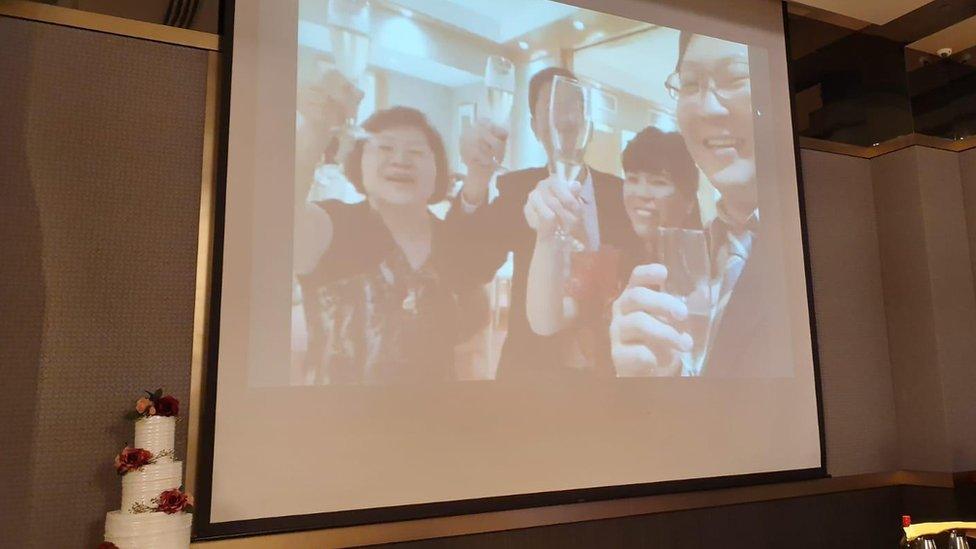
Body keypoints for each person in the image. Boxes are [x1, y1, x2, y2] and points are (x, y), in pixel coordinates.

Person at [449, 67, 641, 379]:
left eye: (573, 107)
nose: (565, 119)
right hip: (532, 374)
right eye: (552, 108)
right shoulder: (517, 190)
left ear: (587, 122)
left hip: (609, 372)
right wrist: (476, 177)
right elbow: (467, 269)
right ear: (536, 127)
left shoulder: (621, 194)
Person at [611, 32, 768, 377]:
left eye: (736, 77)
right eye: (690, 83)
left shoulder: (820, 237)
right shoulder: (699, 258)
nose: (708, 106)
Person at [295, 106, 482, 384]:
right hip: (339, 421)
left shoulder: (453, 242)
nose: (401, 160)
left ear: (438, 169)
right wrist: (313, 133)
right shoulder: (332, 224)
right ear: (359, 161)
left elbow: (468, 349)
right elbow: (274, 216)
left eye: (417, 152)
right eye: (385, 148)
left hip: (434, 419)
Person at [524, 126, 704, 373]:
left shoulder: (711, 268)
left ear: (689, 201)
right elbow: (546, 321)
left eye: (658, 182)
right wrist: (546, 236)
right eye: (632, 179)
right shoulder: (610, 262)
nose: (641, 193)